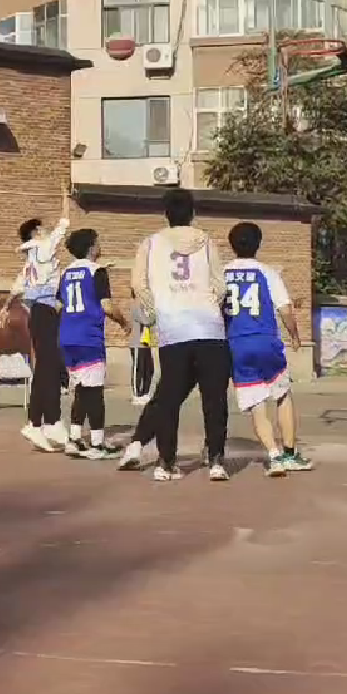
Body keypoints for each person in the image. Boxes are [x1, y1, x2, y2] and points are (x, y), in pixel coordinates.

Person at [119, 188, 232, 482]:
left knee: (168, 398)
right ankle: (216, 461)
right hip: (209, 327)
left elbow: (138, 284)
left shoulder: (150, 243)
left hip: (173, 328)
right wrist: (209, 303)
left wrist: (156, 310)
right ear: (192, 213)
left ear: (166, 213)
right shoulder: (206, 241)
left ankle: (166, 463)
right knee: (215, 399)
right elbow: (220, 285)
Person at [221, 222, 313, 477]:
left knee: (255, 403)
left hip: (236, 343)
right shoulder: (267, 272)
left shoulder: (222, 273)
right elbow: (285, 309)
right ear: (258, 244)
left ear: (232, 245)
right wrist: (295, 336)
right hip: (265, 340)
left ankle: (273, 456)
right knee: (282, 394)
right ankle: (290, 454)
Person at [0, 183, 72, 453]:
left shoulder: (30, 261)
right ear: (36, 233)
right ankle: (47, 420)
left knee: (47, 366)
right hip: (44, 311)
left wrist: (5, 308)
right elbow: (64, 225)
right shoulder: (43, 248)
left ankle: (39, 421)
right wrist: (65, 198)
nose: (47, 231)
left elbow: (16, 288)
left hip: (39, 313)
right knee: (49, 365)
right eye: (43, 228)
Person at [57, 228, 131, 461]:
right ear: (91, 247)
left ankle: (75, 438)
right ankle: (97, 444)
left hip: (67, 337)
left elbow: (59, 306)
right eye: (98, 243)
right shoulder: (97, 271)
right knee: (95, 392)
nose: (101, 246)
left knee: (81, 389)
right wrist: (124, 322)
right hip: (88, 337)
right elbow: (107, 306)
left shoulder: (66, 272)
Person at [128, 290, 154, 406]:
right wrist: (154, 314)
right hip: (137, 342)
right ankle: (136, 394)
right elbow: (146, 321)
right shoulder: (135, 305)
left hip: (145, 342)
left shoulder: (143, 306)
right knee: (138, 368)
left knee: (149, 368)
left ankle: (145, 393)